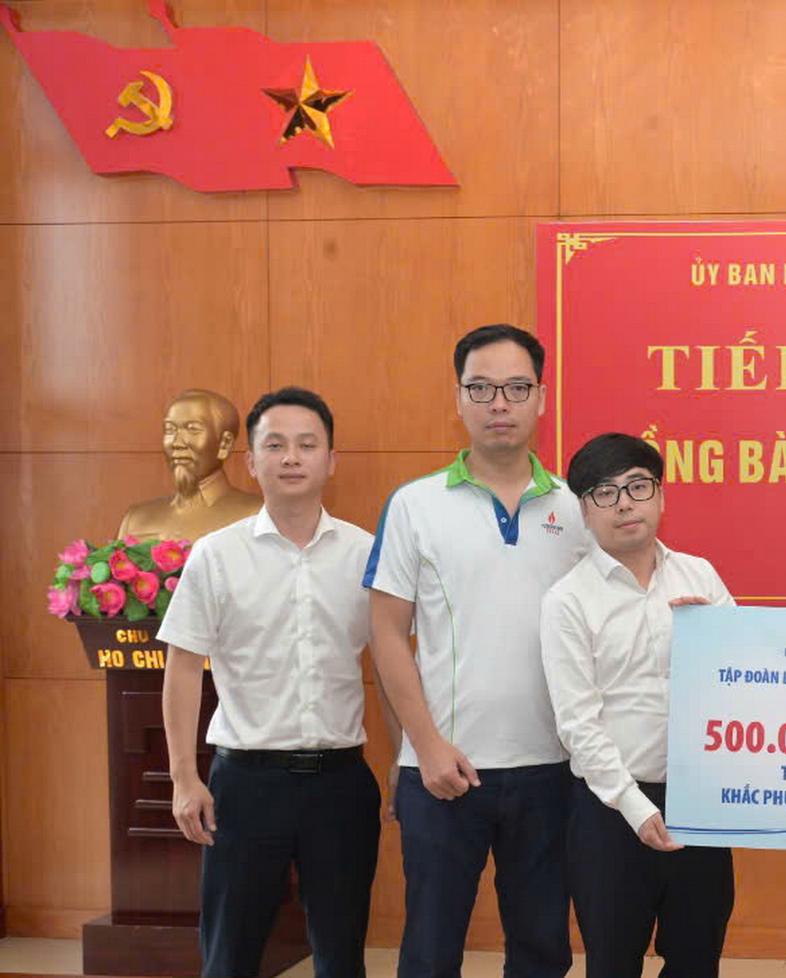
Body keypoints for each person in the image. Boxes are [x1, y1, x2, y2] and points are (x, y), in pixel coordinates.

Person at [365, 324, 588, 978]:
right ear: (458, 398)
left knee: (542, 950)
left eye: (516, 388)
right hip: (443, 770)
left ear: (541, 398)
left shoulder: (578, 508)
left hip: (553, 769)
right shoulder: (415, 505)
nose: (499, 404)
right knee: (430, 953)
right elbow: (386, 632)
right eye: (481, 388)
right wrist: (425, 746)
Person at [159, 386, 378, 978]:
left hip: (341, 784)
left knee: (342, 955)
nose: (291, 458)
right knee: (230, 954)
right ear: (251, 462)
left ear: (331, 460)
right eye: (275, 445)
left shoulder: (365, 553)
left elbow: (390, 665)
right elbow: (183, 667)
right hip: (245, 786)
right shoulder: (216, 555)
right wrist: (183, 777)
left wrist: (410, 758)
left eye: (307, 445)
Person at [541, 433, 736, 977]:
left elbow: (744, 680)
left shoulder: (700, 576)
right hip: (610, 811)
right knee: (612, 962)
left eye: (637, 487)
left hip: (700, 804)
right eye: (605, 493)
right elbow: (577, 723)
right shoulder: (567, 601)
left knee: (697, 959)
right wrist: (635, 806)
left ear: (661, 496)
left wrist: (714, 636)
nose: (625, 503)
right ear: (585, 510)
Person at [119, 388, 261, 542]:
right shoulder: (136, 520)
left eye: (192, 429)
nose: (176, 443)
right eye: (170, 429)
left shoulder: (256, 515)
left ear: (224, 444)